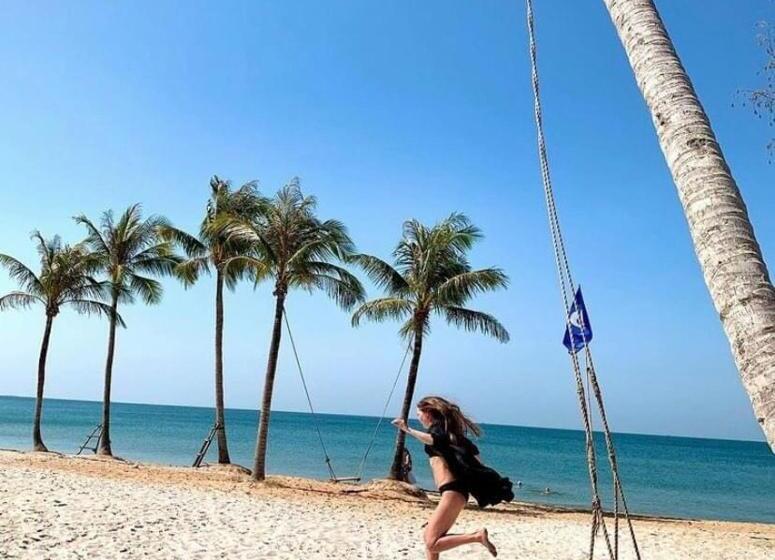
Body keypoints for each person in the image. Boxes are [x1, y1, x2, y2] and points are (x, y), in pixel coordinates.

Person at [391, 396, 514, 559]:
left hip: (453, 491)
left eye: (419, 413)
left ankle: (477, 536)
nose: (418, 417)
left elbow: (434, 440)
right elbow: (477, 458)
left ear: (428, 412)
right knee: (431, 537)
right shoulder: (454, 437)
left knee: (431, 543)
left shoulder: (438, 431)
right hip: (454, 492)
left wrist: (407, 429)